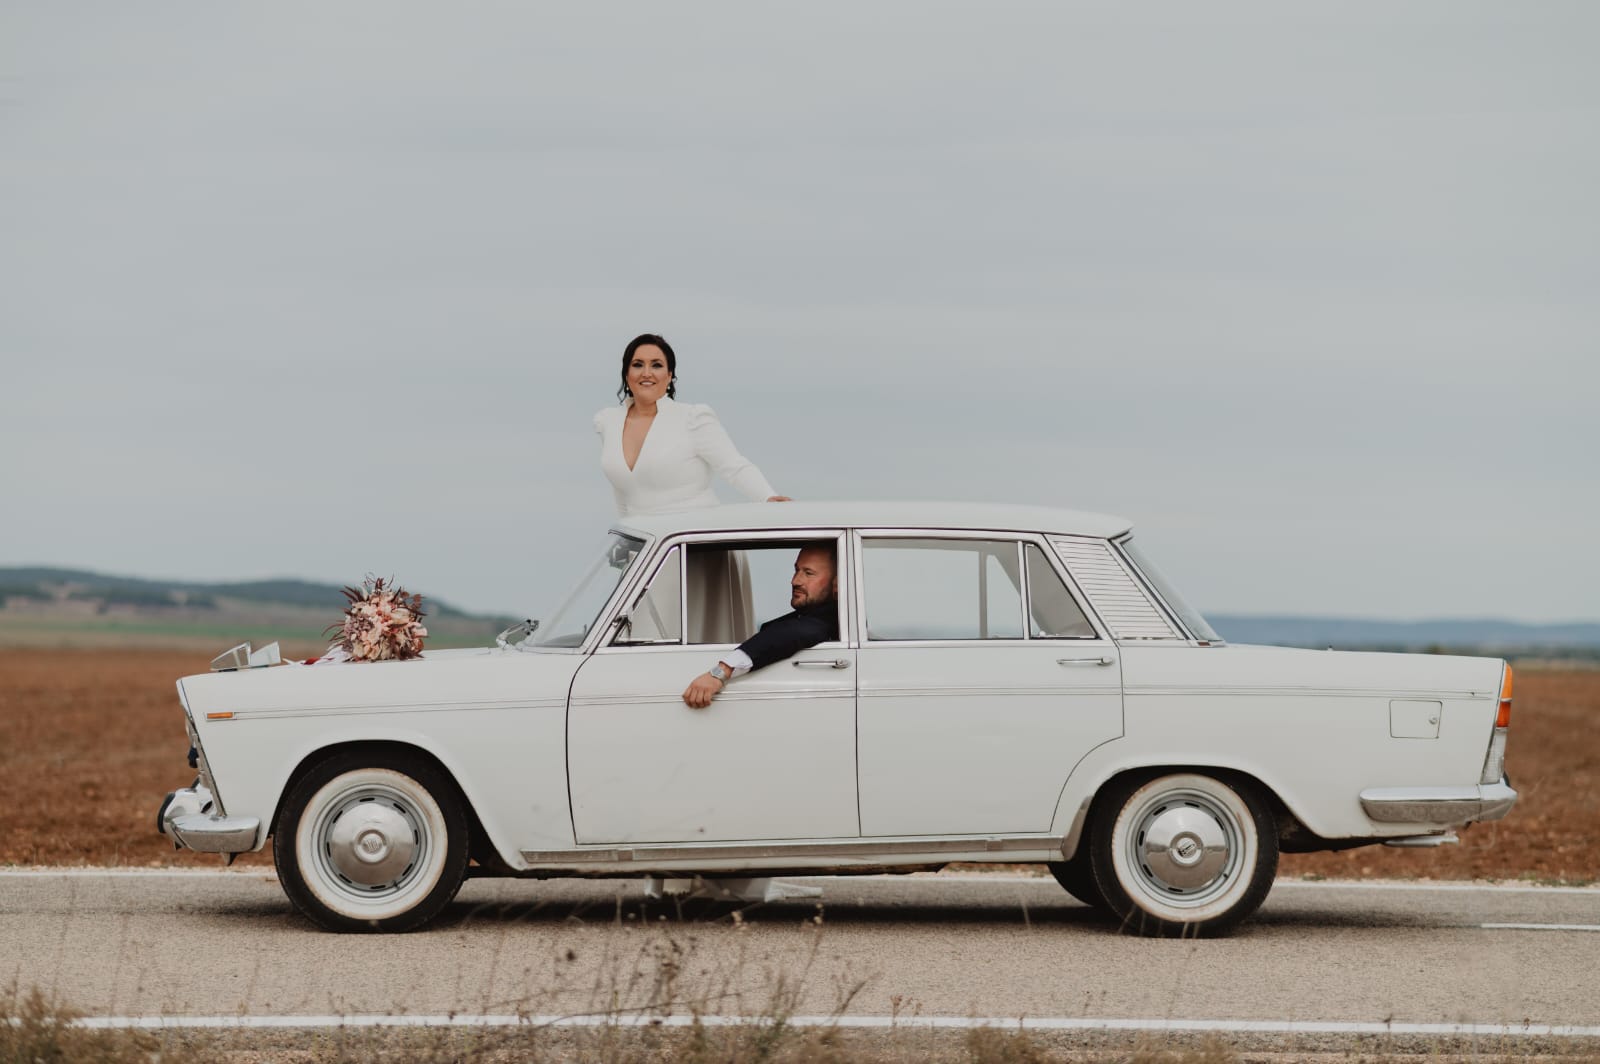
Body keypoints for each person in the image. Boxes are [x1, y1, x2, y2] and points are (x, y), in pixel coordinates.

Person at [595, 333, 790, 517]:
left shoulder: (692, 418)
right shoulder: (609, 422)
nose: (647, 373)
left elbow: (733, 466)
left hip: (693, 541)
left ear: (669, 376)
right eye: (638, 365)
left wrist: (767, 497)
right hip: (650, 546)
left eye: (656, 365)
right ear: (627, 374)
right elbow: (621, 490)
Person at [682, 544, 838, 708]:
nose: (795, 581)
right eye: (797, 570)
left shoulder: (830, 619)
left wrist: (720, 673)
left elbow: (791, 633)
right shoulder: (809, 617)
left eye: (808, 573)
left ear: (837, 583)